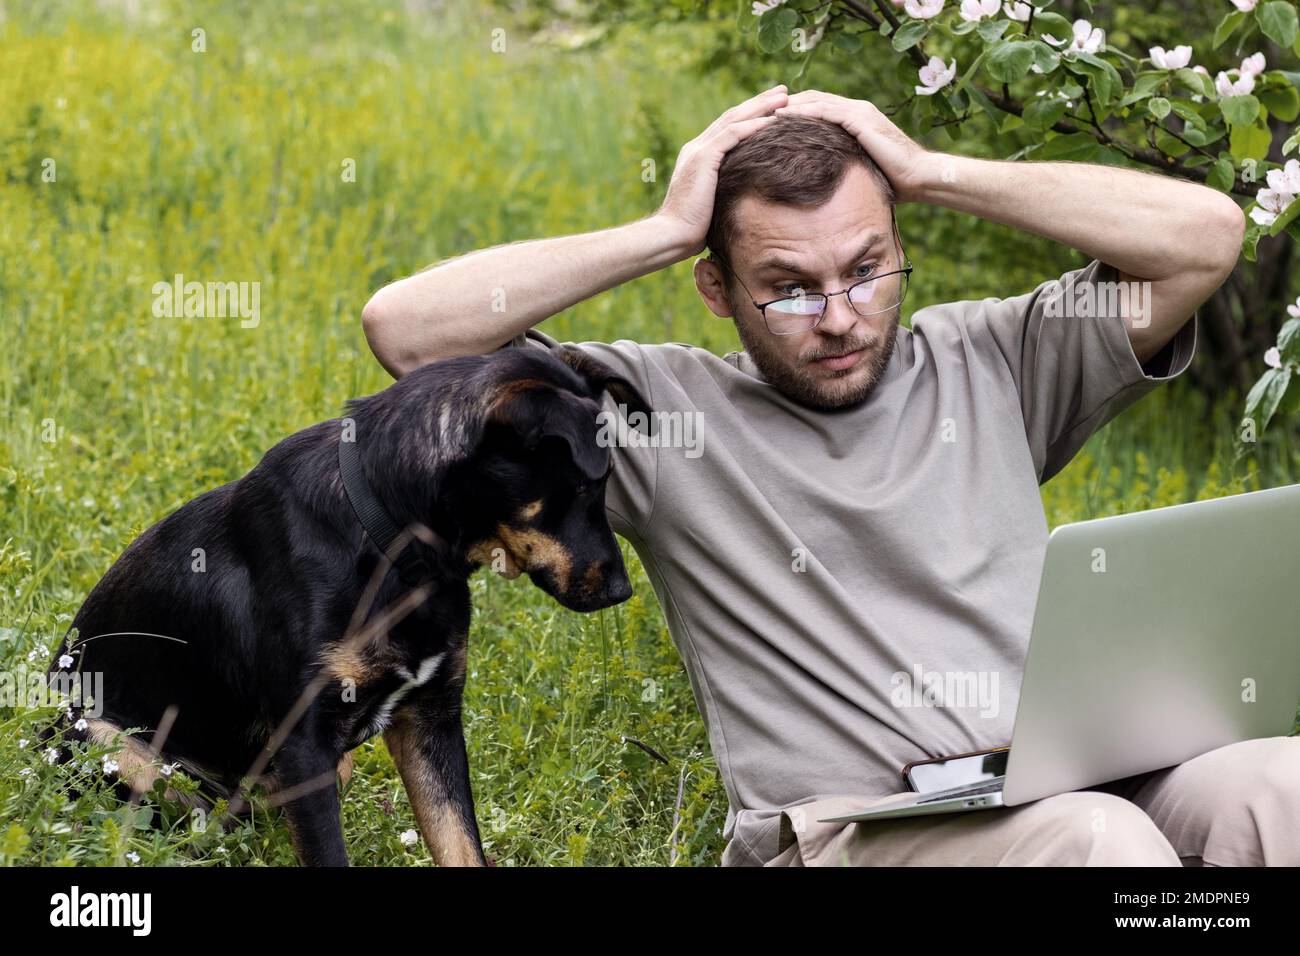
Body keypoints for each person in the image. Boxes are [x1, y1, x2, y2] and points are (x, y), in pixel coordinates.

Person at [361, 86, 1299, 866]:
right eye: (790, 287)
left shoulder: (996, 359)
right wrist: (663, 228)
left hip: (1064, 782)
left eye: (867, 269)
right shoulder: (654, 412)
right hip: (853, 833)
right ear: (718, 289)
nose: (841, 317)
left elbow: (1206, 237)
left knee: (1277, 789)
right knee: (1105, 849)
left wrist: (931, 174)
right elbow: (408, 331)